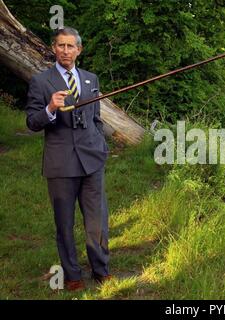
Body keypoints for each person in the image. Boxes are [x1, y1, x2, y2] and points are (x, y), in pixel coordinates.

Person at [26, 27, 111, 291]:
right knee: (64, 222)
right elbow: (32, 122)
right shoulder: (41, 81)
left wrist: (101, 145)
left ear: (79, 50)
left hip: (91, 160)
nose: (65, 51)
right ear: (54, 48)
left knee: (97, 219)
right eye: (61, 46)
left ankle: (100, 269)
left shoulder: (90, 79)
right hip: (60, 162)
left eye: (70, 46)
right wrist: (50, 108)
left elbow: (95, 118)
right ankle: (72, 273)